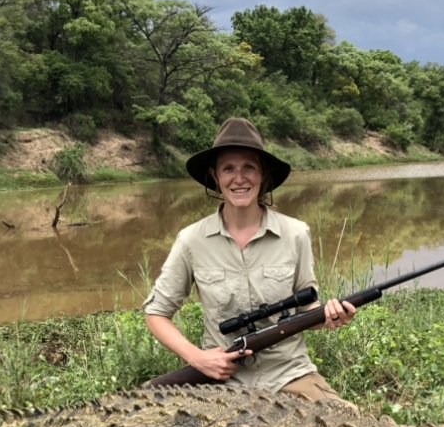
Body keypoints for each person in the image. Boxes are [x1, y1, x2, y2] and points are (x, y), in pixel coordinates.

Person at [143, 117, 356, 404]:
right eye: (228, 168)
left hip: (289, 373)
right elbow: (156, 313)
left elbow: (309, 309)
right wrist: (198, 359)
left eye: (249, 168)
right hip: (221, 377)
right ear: (215, 176)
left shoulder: (295, 233)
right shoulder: (191, 239)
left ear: (263, 175)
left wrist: (330, 316)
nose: (239, 178)